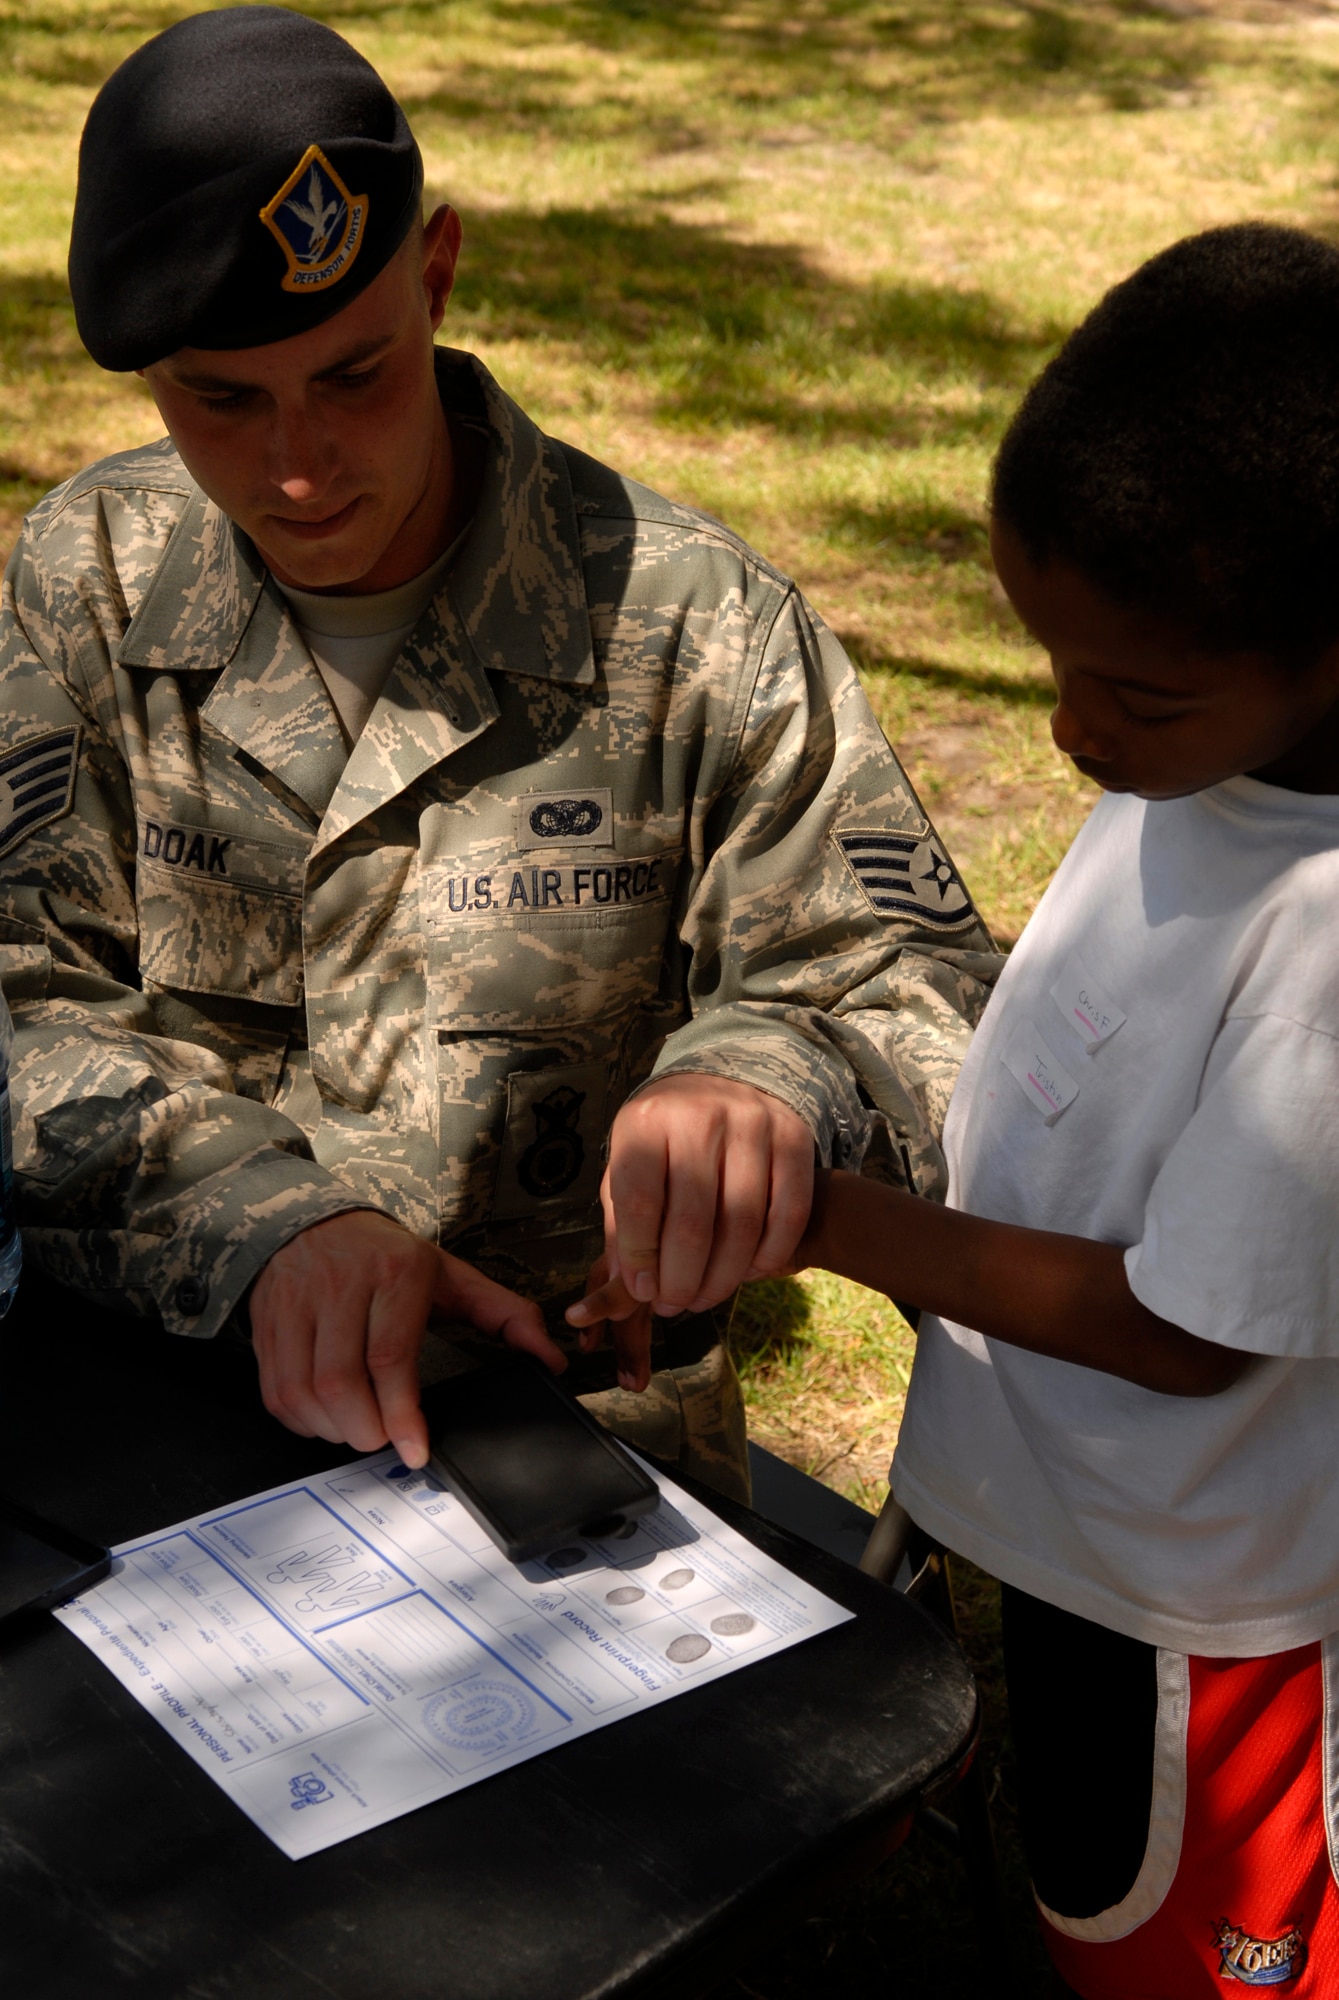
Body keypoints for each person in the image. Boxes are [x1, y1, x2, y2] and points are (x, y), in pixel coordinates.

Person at [0, 6, 998, 1501]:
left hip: (579, 1456)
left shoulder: (685, 620)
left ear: (441, 271)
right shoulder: (88, 577)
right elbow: (17, 988)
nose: (296, 463)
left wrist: (769, 1082)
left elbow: (918, 992)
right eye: (222, 398)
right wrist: (257, 1221)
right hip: (170, 1404)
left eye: (356, 374)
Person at [586, 220, 1339, 1991]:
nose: (1070, 731)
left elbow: (1183, 1336)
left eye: (1131, 693)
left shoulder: (1326, 934)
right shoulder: (1213, 743)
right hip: (1076, 1524)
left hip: (1204, 1614)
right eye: (1048, 661)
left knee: (1170, 1952)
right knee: (1072, 1868)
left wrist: (825, 1221)